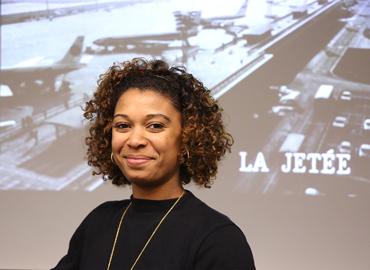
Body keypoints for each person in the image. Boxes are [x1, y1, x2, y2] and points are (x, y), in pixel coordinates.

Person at [52, 58, 256, 270]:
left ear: (188, 135)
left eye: (155, 126)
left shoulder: (218, 238)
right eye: (122, 125)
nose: (134, 140)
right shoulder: (98, 223)